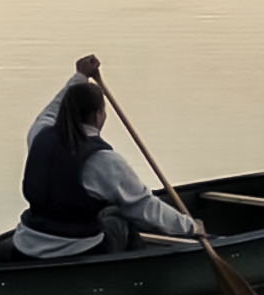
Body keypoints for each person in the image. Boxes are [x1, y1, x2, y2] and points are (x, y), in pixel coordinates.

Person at [14, 55, 205, 260]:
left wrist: (80, 76)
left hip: (25, 244)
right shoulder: (103, 161)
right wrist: (191, 227)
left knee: (110, 211)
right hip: (75, 250)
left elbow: (53, 109)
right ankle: (136, 279)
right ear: (98, 115)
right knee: (123, 222)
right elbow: (145, 207)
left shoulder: (39, 134)